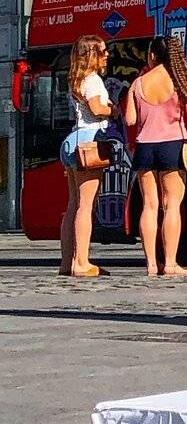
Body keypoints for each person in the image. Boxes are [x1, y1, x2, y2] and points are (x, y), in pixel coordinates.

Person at [124, 35, 187, 279]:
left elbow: (130, 120)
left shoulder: (138, 83)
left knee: (149, 205)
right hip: (172, 146)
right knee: (172, 206)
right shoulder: (181, 81)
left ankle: (150, 263)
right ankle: (170, 263)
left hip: (144, 148)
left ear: (152, 56)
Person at [59, 34, 113, 278]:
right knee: (86, 205)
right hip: (90, 141)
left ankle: (67, 262)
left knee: (73, 204)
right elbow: (97, 108)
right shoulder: (93, 80)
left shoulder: (77, 79)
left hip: (73, 140)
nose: (107, 55)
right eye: (103, 51)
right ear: (92, 55)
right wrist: (114, 110)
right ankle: (81, 262)